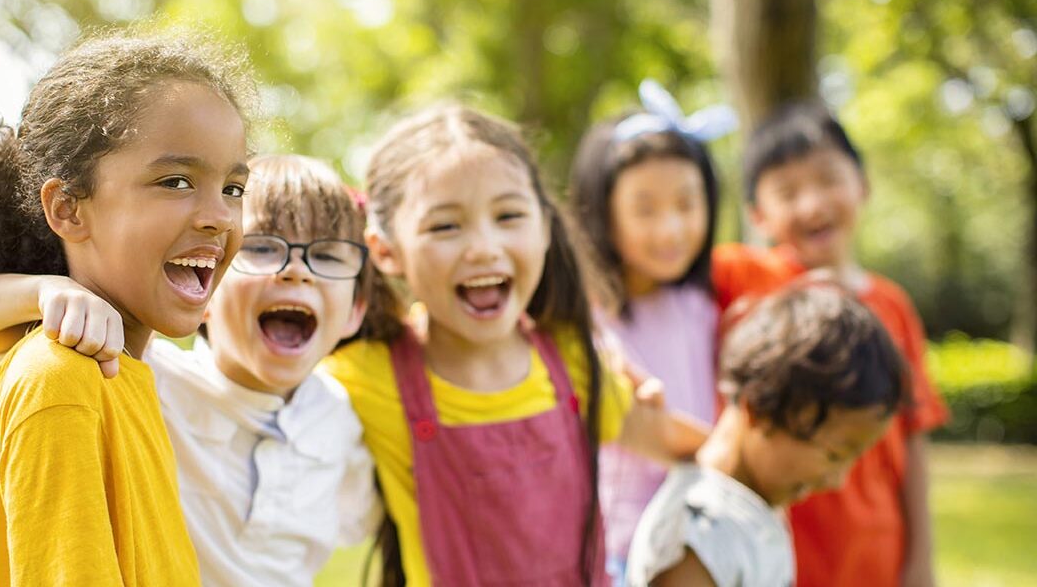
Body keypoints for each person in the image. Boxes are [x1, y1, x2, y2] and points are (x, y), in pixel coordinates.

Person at [0, 155, 383, 586]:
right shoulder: (137, 373)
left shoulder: (343, 416)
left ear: (354, 310)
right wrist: (43, 291)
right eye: (261, 249)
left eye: (326, 256)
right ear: (201, 289)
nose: (296, 272)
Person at [0, 30, 254, 585]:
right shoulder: (60, 381)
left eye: (233, 187)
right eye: (176, 180)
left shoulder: (130, 369)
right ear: (67, 209)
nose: (221, 217)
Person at [322, 104, 704, 586]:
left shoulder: (572, 358)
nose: (484, 246)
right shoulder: (365, 378)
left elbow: (666, 439)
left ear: (544, 227)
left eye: (508, 215)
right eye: (445, 225)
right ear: (385, 251)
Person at [712, 101, 948, 587]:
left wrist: (922, 560)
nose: (812, 204)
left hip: (877, 552)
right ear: (758, 214)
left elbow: (913, 438)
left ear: (863, 185)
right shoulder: (745, 275)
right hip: (774, 552)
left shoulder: (895, 306)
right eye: (787, 192)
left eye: (827, 179)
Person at [627, 284, 906, 587]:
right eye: (834, 454)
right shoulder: (698, 538)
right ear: (759, 409)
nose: (837, 480)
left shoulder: (752, 505)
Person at [568, 79, 734, 582]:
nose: (671, 229)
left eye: (687, 204)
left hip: (699, 545)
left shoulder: (704, 308)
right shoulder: (586, 322)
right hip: (616, 551)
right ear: (603, 212)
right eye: (645, 209)